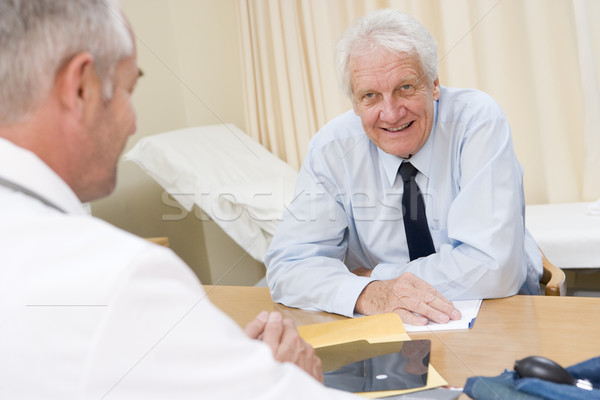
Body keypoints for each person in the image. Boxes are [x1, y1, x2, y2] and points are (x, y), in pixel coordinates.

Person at [0, 1, 360, 398]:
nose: (134, 121)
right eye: (128, 90)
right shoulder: (119, 279)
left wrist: (216, 360)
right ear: (81, 87)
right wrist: (293, 384)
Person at [265, 8, 542, 325]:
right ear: (355, 104)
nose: (391, 113)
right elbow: (288, 267)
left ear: (434, 85)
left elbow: (494, 269)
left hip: (502, 316)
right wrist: (369, 293)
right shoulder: (331, 149)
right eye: (370, 96)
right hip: (394, 332)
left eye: (405, 88)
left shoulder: (477, 121)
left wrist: (378, 279)